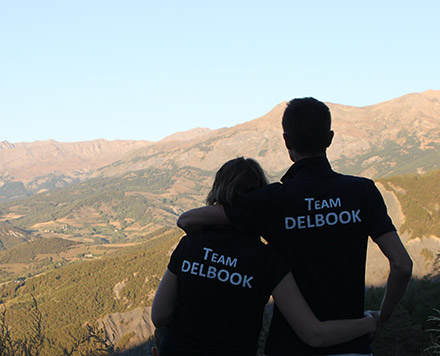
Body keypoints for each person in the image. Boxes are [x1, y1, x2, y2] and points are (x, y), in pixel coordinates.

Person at [177, 98, 413, 355]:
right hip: (350, 343)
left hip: (288, 347)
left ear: (287, 141)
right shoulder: (362, 192)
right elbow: (402, 264)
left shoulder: (273, 201)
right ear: (330, 138)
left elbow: (188, 219)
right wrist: (380, 319)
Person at [152, 157, 378, 356]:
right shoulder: (268, 258)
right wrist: (369, 323)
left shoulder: (189, 245)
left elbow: (159, 316)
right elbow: (313, 333)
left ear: (216, 192)